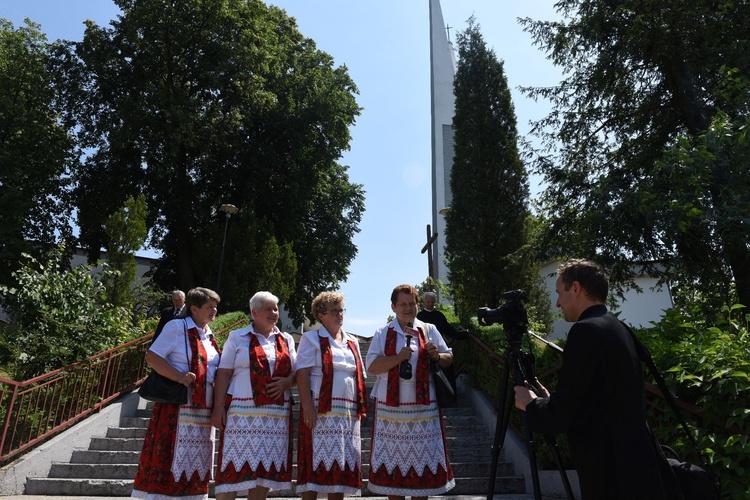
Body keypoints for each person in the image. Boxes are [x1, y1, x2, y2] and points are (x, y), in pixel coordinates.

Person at [513, 259, 666, 499]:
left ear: (575, 288)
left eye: (559, 293)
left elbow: (565, 414)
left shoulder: (586, 331)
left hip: (610, 472)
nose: (557, 303)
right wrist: (550, 400)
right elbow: (598, 400)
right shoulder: (617, 326)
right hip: (637, 464)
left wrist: (530, 404)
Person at [366, 284, 455, 498]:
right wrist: (398, 358)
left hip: (424, 408)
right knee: (393, 470)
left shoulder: (428, 329)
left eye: (411, 303)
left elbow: (449, 358)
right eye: (402, 304)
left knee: (422, 469)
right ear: (393, 307)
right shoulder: (383, 332)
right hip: (391, 410)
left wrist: (436, 356)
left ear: (417, 305)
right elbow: (371, 367)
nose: (408, 308)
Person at [132, 287, 221, 500]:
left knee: (198, 457)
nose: (214, 311)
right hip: (177, 407)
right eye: (209, 307)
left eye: (215, 307)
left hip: (203, 409)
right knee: (170, 455)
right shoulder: (177, 327)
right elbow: (153, 357)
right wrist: (178, 375)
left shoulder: (208, 334)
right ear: (194, 309)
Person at [212, 291, 297, 500]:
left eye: (276, 309)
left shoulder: (286, 339)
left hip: (276, 415)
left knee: (265, 468)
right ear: (254, 312)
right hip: (242, 412)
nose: (274, 313)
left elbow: (298, 371)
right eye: (268, 309)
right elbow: (224, 372)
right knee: (234, 465)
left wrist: (287, 382)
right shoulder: (237, 336)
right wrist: (218, 407)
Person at [295, 291, 368, 499]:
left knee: (340, 467)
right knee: (314, 465)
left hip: (347, 415)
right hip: (319, 412)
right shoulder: (311, 338)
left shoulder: (352, 341)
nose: (339, 315)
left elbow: (359, 376)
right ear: (320, 315)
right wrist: (307, 407)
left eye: (341, 310)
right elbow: (302, 374)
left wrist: (360, 409)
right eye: (334, 311)